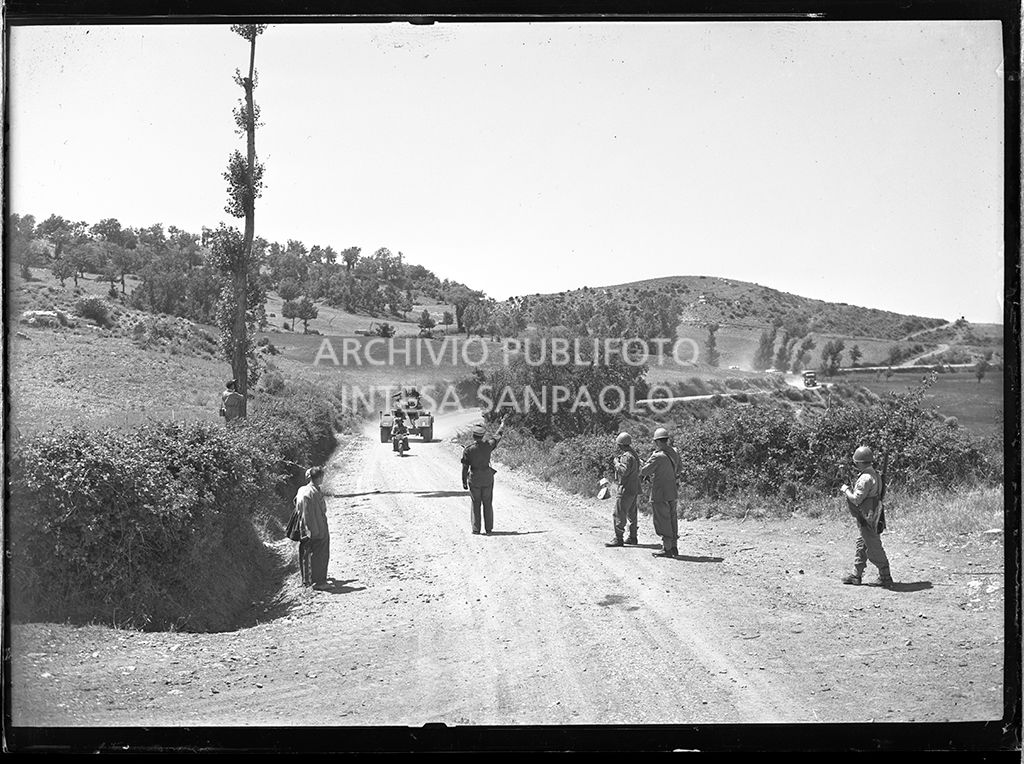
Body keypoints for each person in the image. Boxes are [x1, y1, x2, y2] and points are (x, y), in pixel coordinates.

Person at [840, 446, 893, 587]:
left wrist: (846, 490)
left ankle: (885, 576)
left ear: (858, 462)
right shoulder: (875, 474)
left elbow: (856, 499)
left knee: (874, 547)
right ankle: (856, 575)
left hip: (867, 516)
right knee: (862, 544)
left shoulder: (865, 478)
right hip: (871, 514)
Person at [639, 427, 682, 558]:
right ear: (666, 439)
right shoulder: (674, 452)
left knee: (663, 520)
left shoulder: (657, 456)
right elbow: (679, 469)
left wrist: (644, 463)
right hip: (672, 490)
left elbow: (644, 471)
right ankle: (674, 547)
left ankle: (667, 548)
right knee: (672, 518)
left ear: (657, 441)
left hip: (660, 492)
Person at [461, 416, 507, 535]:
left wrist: (464, 482)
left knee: (475, 503)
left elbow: (465, 468)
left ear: (473, 435)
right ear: (483, 435)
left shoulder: (468, 450)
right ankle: (489, 528)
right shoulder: (488, 445)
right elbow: (498, 436)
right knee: (487, 502)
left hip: (474, 478)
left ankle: (476, 529)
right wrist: (502, 424)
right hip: (487, 477)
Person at [296, 466, 330, 590]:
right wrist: (313, 531)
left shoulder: (302, 490)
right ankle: (320, 582)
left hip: (304, 527)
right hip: (316, 528)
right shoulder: (314, 492)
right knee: (320, 555)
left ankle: (307, 581)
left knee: (306, 555)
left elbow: (298, 507)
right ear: (320, 477)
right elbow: (315, 512)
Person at [606, 432, 641, 547]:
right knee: (632, 514)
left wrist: (616, 464)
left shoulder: (626, 456)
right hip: (634, 487)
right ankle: (633, 537)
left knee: (619, 513)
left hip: (626, 488)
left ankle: (618, 538)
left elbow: (624, 471)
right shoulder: (634, 454)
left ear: (621, 444)